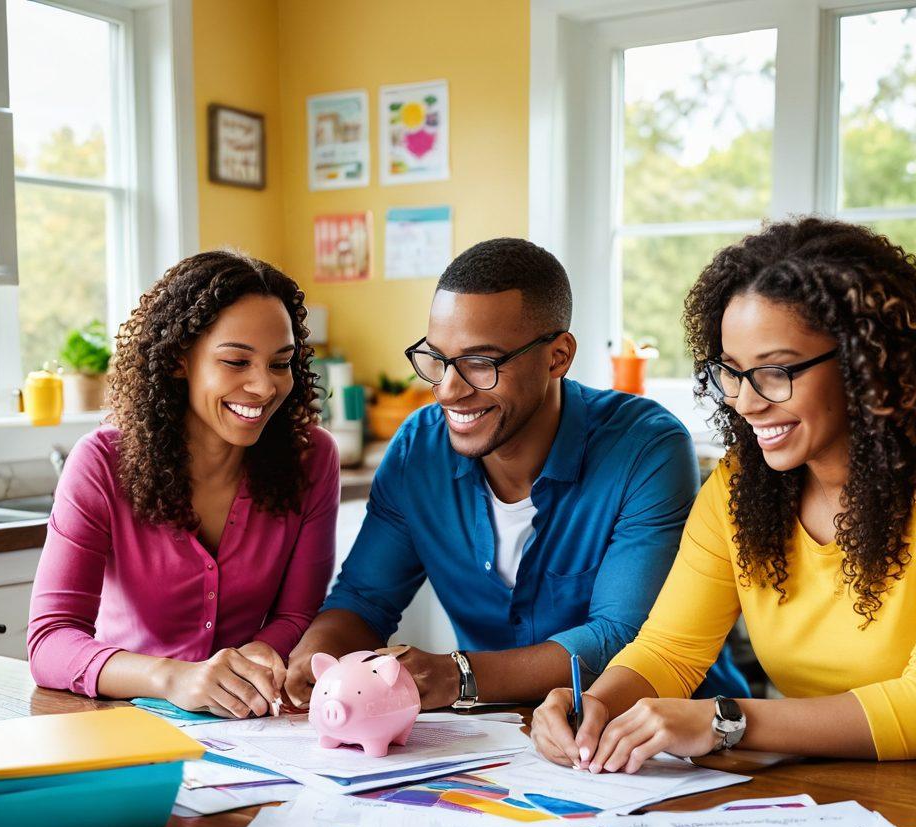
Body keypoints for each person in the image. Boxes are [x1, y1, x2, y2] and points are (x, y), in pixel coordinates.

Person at [531, 217, 916, 771]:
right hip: (832, 784)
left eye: (776, 372)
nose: (745, 402)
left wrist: (724, 720)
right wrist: (595, 703)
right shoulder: (742, 483)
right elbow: (670, 649)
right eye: (732, 373)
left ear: (865, 362)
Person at [285, 237, 747, 709]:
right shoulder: (417, 451)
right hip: (502, 739)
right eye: (438, 359)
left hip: (673, 741)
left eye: (480, 363)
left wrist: (458, 674)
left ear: (558, 356)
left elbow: (622, 638)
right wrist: (315, 656)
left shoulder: (645, 448)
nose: (447, 390)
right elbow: (364, 600)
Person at [27, 250, 339, 718]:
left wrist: (255, 656)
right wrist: (171, 677)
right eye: (236, 361)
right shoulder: (101, 464)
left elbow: (296, 615)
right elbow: (50, 640)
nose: (265, 386)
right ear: (178, 360)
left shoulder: (311, 458)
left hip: (245, 720)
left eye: (280, 363)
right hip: (122, 717)